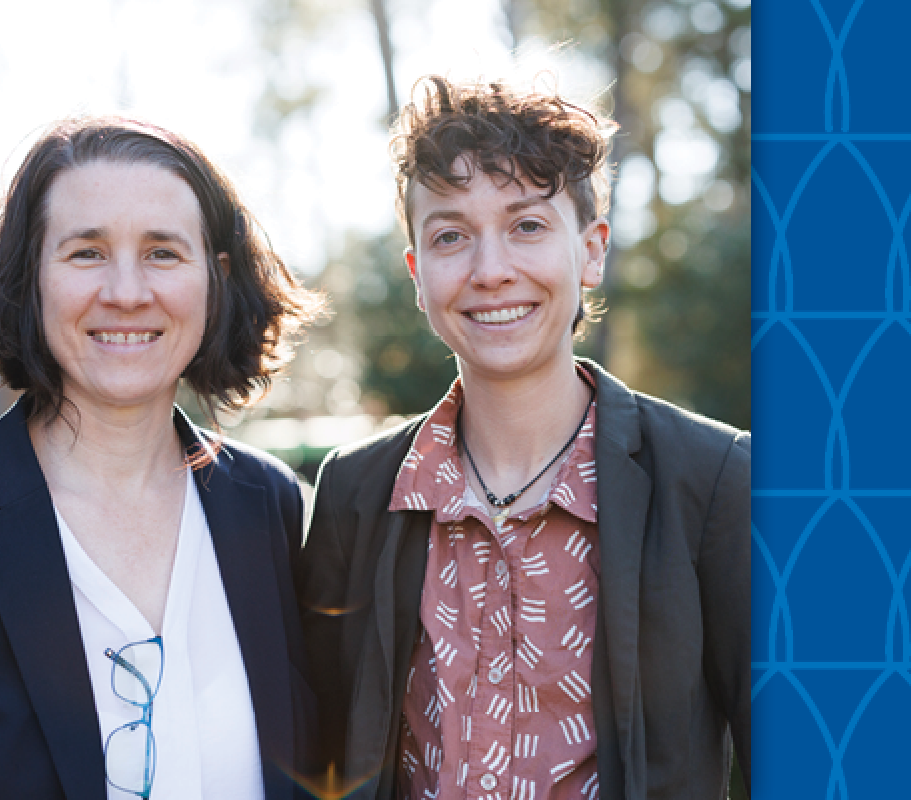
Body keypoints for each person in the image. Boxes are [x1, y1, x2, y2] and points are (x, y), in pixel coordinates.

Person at [298, 76, 749, 800]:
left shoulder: (716, 478)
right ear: (418, 274)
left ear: (592, 250)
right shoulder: (356, 491)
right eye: (450, 235)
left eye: (528, 226)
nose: (490, 270)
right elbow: (321, 748)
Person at [0, 117, 322, 800]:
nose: (125, 291)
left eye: (163, 253)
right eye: (86, 252)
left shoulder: (271, 508)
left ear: (215, 278)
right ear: (30, 278)